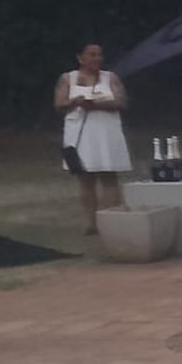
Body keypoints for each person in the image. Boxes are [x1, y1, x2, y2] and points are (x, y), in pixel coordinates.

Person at [54, 43, 132, 234]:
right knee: (85, 178)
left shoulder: (110, 77)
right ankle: (92, 223)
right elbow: (59, 103)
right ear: (80, 58)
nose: (97, 58)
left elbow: (121, 101)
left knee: (109, 176)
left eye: (99, 55)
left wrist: (96, 104)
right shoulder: (68, 78)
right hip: (80, 132)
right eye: (92, 55)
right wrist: (75, 102)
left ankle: (114, 220)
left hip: (106, 131)